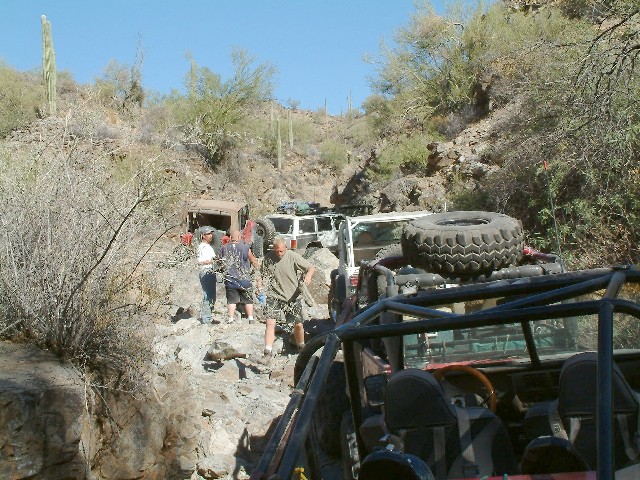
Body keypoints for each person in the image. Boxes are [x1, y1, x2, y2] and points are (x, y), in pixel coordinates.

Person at [257, 236, 316, 355]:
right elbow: (261, 274)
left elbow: (311, 267)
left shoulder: (292, 256)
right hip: (274, 295)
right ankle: (267, 351)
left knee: (298, 324)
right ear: (273, 249)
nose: (279, 254)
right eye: (277, 251)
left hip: (292, 296)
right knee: (270, 322)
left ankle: (301, 347)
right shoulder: (268, 258)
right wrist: (259, 284)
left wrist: (308, 276)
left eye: (281, 251)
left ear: (286, 248)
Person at [218, 230, 259, 324]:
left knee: (232, 301)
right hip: (244, 279)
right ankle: (250, 318)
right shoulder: (245, 247)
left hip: (230, 279)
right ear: (239, 237)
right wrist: (257, 268)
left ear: (230, 238)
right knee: (248, 300)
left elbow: (219, 261)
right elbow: (252, 259)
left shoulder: (224, 248)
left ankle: (231, 319)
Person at [196, 226, 217, 324]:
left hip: (211, 271)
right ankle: (206, 319)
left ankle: (209, 317)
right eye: (208, 234)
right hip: (206, 271)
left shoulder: (209, 247)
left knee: (212, 295)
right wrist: (210, 261)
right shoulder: (202, 247)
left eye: (211, 233)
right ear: (203, 236)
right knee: (208, 295)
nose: (210, 235)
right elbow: (199, 261)